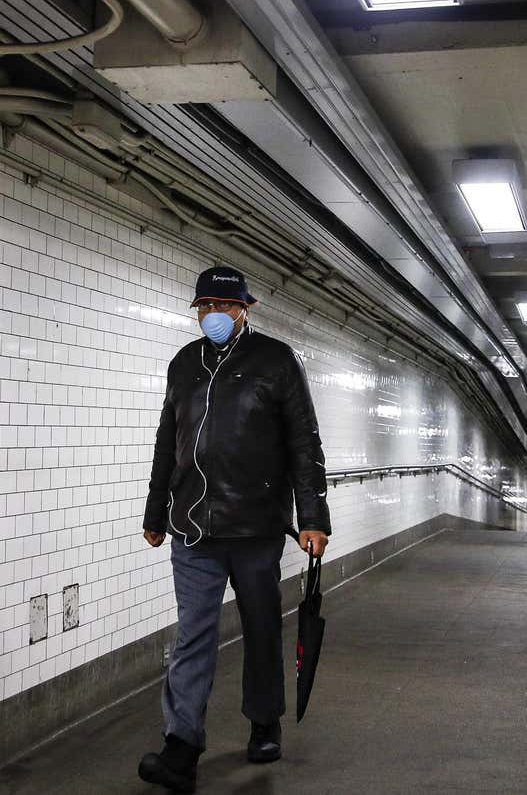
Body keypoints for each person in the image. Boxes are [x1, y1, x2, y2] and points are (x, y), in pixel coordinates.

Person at [138, 266, 332, 794]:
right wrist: (156, 514)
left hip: (256, 527)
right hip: (194, 530)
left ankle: (264, 724)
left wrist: (314, 518)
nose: (213, 316)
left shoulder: (275, 361)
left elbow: (303, 443)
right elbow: (166, 443)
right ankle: (181, 747)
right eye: (204, 307)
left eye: (223, 307)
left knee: (262, 629)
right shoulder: (184, 365)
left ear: (245, 309)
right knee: (191, 637)